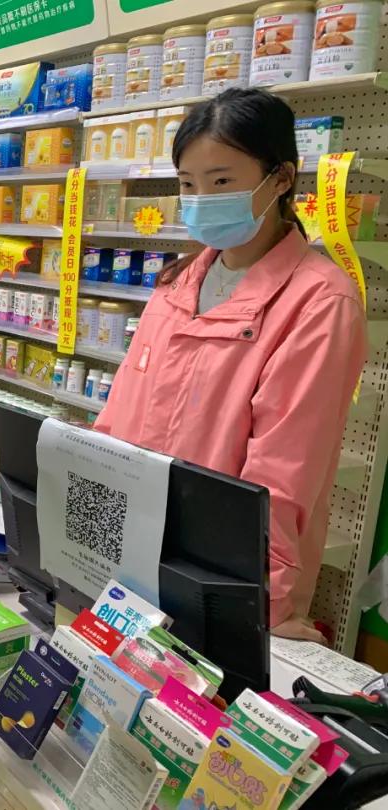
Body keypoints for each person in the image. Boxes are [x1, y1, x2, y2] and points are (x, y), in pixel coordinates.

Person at [95, 88, 367, 641]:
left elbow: (284, 477)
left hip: (223, 584)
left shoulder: (318, 302)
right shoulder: (177, 285)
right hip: (135, 557)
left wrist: (260, 608)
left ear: (281, 178)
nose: (201, 200)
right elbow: (118, 419)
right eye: (187, 185)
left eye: (221, 182)